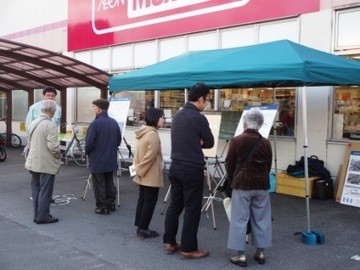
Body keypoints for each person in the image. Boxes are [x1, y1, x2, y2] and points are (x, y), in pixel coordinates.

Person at [163, 82, 214, 259]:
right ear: (200, 99)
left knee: (175, 205)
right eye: (206, 100)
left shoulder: (177, 115)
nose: (206, 103)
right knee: (192, 208)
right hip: (192, 167)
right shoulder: (198, 118)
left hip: (175, 165)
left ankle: (170, 242)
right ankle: (189, 248)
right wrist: (198, 141)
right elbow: (209, 142)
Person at [225, 107, 273, 267]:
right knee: (261, 219)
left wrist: (234, 177)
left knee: (239, 219)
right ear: (260, 124)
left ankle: (241, 256)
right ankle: (260, 252)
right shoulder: (266, 143)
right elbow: (268, 165)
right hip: (261, 185)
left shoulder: (237, 140)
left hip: (242, 184)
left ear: (244, 123)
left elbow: (230, 164)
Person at [25, 100, 61, 224]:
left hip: (33, 161)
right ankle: (43, 216)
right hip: (45, 162)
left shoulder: (34, 123)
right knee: (46, 190)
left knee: (36, 189)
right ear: (53, 111)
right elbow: (53, 147)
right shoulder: (50, 125)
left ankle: (37, 215)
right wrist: (58, 156)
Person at [85, 98, 122, 215]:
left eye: (94, 107)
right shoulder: (114, 122)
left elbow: (89, 143)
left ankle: (102, 206)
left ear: (99, 108)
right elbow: (118, 140)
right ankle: (111, 204)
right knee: (109, 182)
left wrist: (87, 151)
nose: (93, 109)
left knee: (99, 183)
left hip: (98, 157)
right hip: (110, 157)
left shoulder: (95, 123)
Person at [133, 108, 164, 239]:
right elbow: (150, 157)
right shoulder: (153, 134)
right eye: (162, 117)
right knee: (149, 202)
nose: (163, 120)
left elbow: (138, 154)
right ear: (155, 118)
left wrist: (137, 169)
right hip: (150, 174)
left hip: (142, 173)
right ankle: (144, 228)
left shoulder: (143, 132)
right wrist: (140, 169)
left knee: (143, 200)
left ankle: (140, 226)